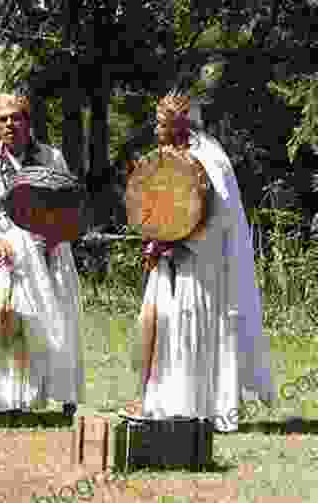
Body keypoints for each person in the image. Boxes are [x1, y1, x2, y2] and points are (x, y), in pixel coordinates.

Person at [132, 91, 275, 432]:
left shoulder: (210, 159)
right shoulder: (170, 156)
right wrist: (156, 238)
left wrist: (174, 244)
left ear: (179, 124)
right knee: (163, 324)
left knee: (189, 322)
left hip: (202, 265)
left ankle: (198, 404)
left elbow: (217, 219)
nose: (155, 128)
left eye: (160, 122)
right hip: (171, 255)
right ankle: (165, 400)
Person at [0, 84, 84, 417]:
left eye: (16, 118)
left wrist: (56, 234)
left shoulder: (51, 157)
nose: (9, 125)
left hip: (48, 246)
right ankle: (11, 398)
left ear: (28, 122)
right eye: (2, 119)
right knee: (9, 320)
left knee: (55, 318)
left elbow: (68, 204)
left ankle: (63, 392)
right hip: (6, 252)